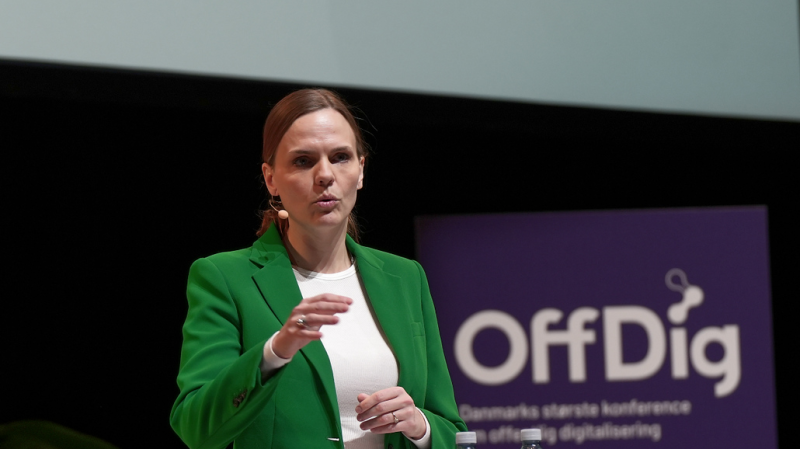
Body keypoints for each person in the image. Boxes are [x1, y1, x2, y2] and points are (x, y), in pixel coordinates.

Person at [170, 88, 466, 449]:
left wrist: (420, 426)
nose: (325, 174)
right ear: (271, 179)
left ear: (361, 170)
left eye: (340, 157)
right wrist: (275, 350)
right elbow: (196, 428)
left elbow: (453, 432)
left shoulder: (405, 278)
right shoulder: (225, 278)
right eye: (303, 161)